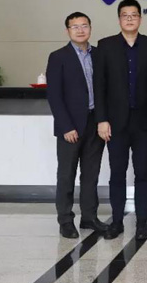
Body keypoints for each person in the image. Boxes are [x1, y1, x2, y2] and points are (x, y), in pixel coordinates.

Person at [94, 0, 147, 241]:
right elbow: (99, 86)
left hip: (144, 122)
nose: (130, 19)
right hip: (115, 123)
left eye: (134, 15)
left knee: (143, 173)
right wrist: (102, 119)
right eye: (125, 15)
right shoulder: (105, 46)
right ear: (119, 19)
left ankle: (142, 222)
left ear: (140, 18)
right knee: (117, 173)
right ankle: (117, 222)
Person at [46, 12, 107, 238]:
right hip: (70, 126)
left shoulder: (99, 55)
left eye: (84, 26)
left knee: (91, 174)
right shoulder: (58, 57)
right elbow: (54, 95)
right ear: (67, 31)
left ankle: (89, 217)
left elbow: (106, 90)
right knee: (66, 174)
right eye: (75, 27)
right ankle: (65, 220)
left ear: (90, 28)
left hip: (95, 123)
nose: (80, 30)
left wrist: (103, 120)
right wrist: (66, 126)